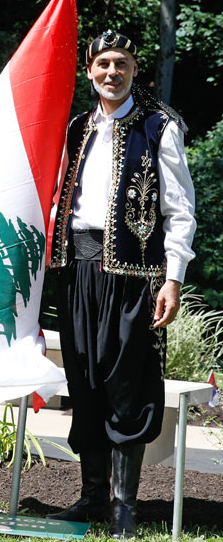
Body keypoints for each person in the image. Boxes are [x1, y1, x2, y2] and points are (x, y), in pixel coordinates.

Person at [47, 30, 196, 538]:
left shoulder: (159, 126)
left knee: (127, 386)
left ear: (136, 71)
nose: (113, 72)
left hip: (134, 278)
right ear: (89, 70)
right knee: (84, 383)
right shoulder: (73, 129)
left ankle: (123, 506)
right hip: (77, 273)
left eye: (123, 64)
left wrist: (172, 278)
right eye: (104, 63)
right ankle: (90, 497)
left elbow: (180, 211)